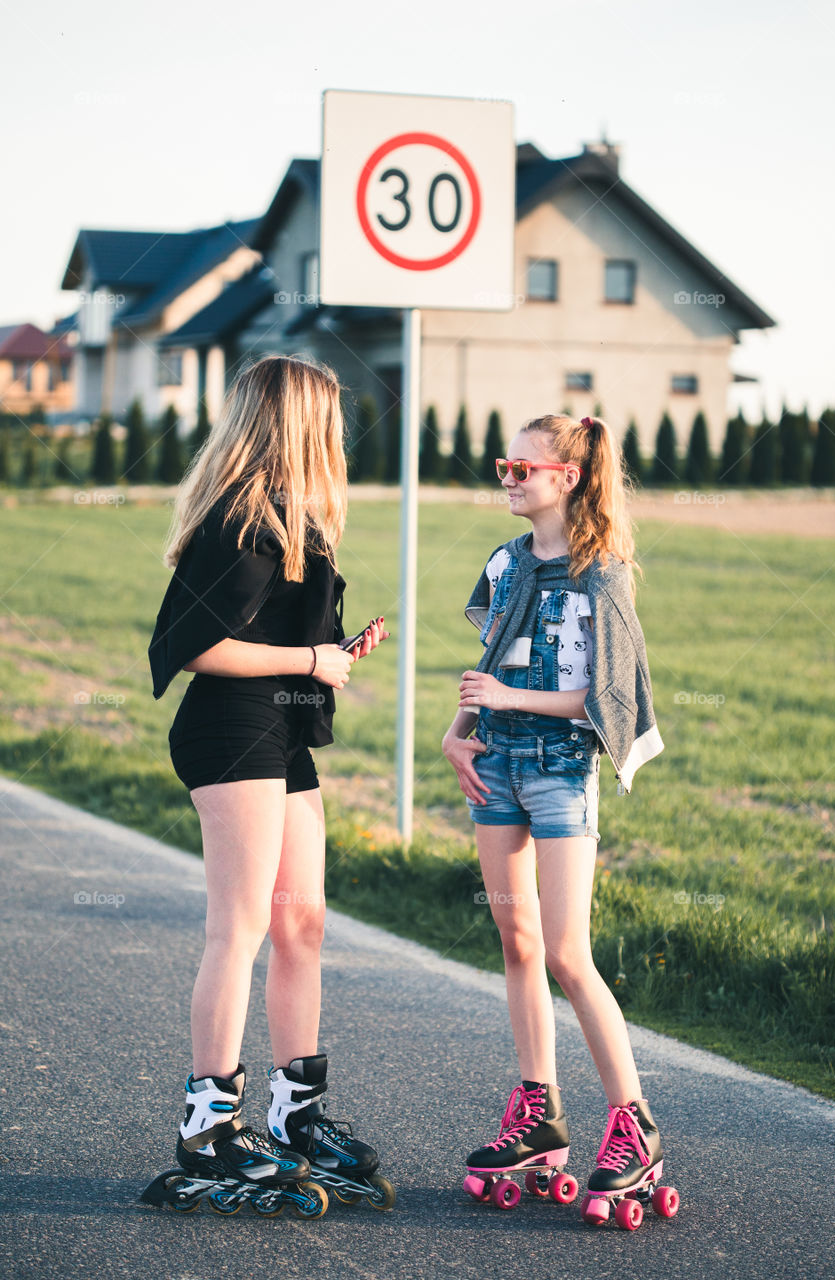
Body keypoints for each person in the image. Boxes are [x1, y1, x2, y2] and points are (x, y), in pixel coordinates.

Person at [146, 355, 391, 1213]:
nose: (339, 432)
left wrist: (331, 656)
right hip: (230, 730)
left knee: (302, 924)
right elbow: (194, 647)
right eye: (328, 415)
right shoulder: (241, 522)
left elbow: (276, 634)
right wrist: (311, 659)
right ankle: (207, 1128)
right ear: (297, 422)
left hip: (279, 730)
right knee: (240, 926)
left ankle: (295, 1116)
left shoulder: (294, 520)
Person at [442, 413, 670, 1221]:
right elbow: (490, 657)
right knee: (517, 940)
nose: (508, 480)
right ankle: (537, 1115)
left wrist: (509, 699)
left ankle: (631, 1125)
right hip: (494, 764)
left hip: (559, 771)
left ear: (565, 477)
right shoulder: (504, 563)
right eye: (503, 468)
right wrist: (458, 733)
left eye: (520, 468)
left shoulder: (600, 575)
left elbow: (605, 700)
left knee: (568, 953)